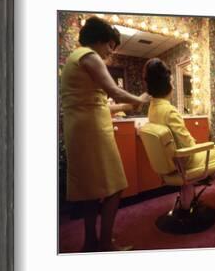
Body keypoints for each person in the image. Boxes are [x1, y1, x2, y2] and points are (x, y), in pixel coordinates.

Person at [61, 16, 150, 252]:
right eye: (110, 45)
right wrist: (139, 100)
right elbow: (114, 91)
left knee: (92, 191)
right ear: (100, 40)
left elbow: (99, 103)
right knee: (115, 187)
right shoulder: (89, 56)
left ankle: (90, 241)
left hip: (80, 128)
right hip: (91, 130)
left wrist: (125, 106)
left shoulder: (75, 59)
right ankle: (105, 244)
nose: (110, 52)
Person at [143, 58, 215, 169]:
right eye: (171, 82)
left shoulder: (152, 108)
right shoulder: (169, 111)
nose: (173, 86)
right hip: (186, 161)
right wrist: (199, 145)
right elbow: (188, 145)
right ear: (166, 85)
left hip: (170, 160)